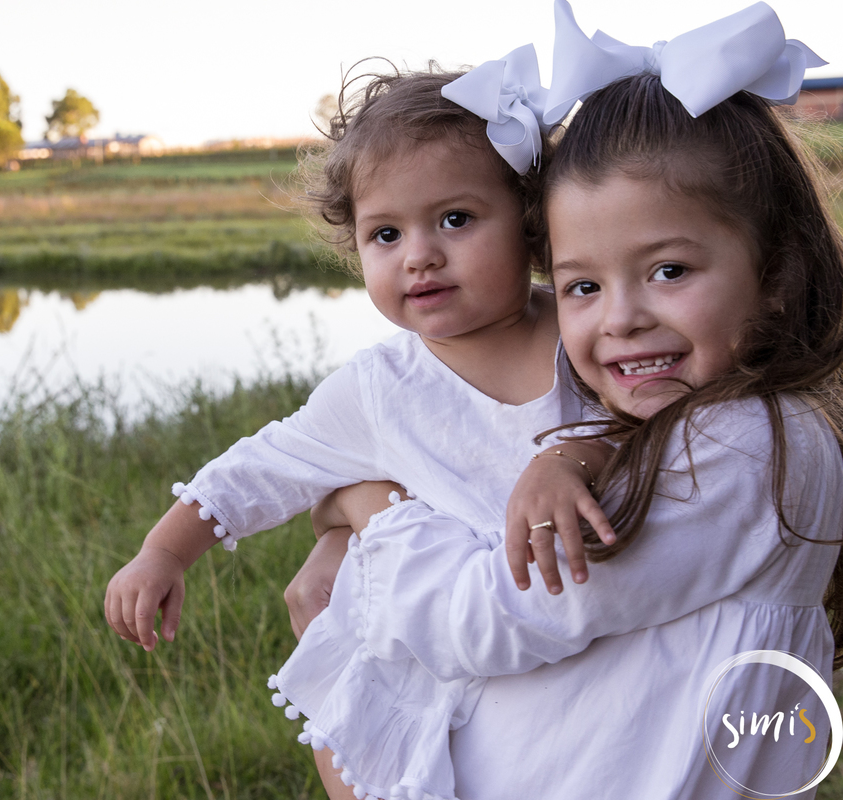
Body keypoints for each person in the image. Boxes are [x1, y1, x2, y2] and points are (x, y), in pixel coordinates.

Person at [282, 5, 843, 797]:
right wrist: (569, 450)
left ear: (779, 274)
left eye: (670, 271)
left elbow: (496, 616)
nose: (620, 319)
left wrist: (371, 511)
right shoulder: (703, 428)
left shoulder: (749, 447)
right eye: (582, 284)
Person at [104, 48, 617, 799]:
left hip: (560, 641)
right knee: (376, 763)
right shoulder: (380, 389)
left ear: (532, 221)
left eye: (455, 219)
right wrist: (163, 553)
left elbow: (654, 431)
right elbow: (262, 467)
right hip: (430, 651)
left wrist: (581, 454)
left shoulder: (583, 331)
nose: (420, 256)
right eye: (386, 235)